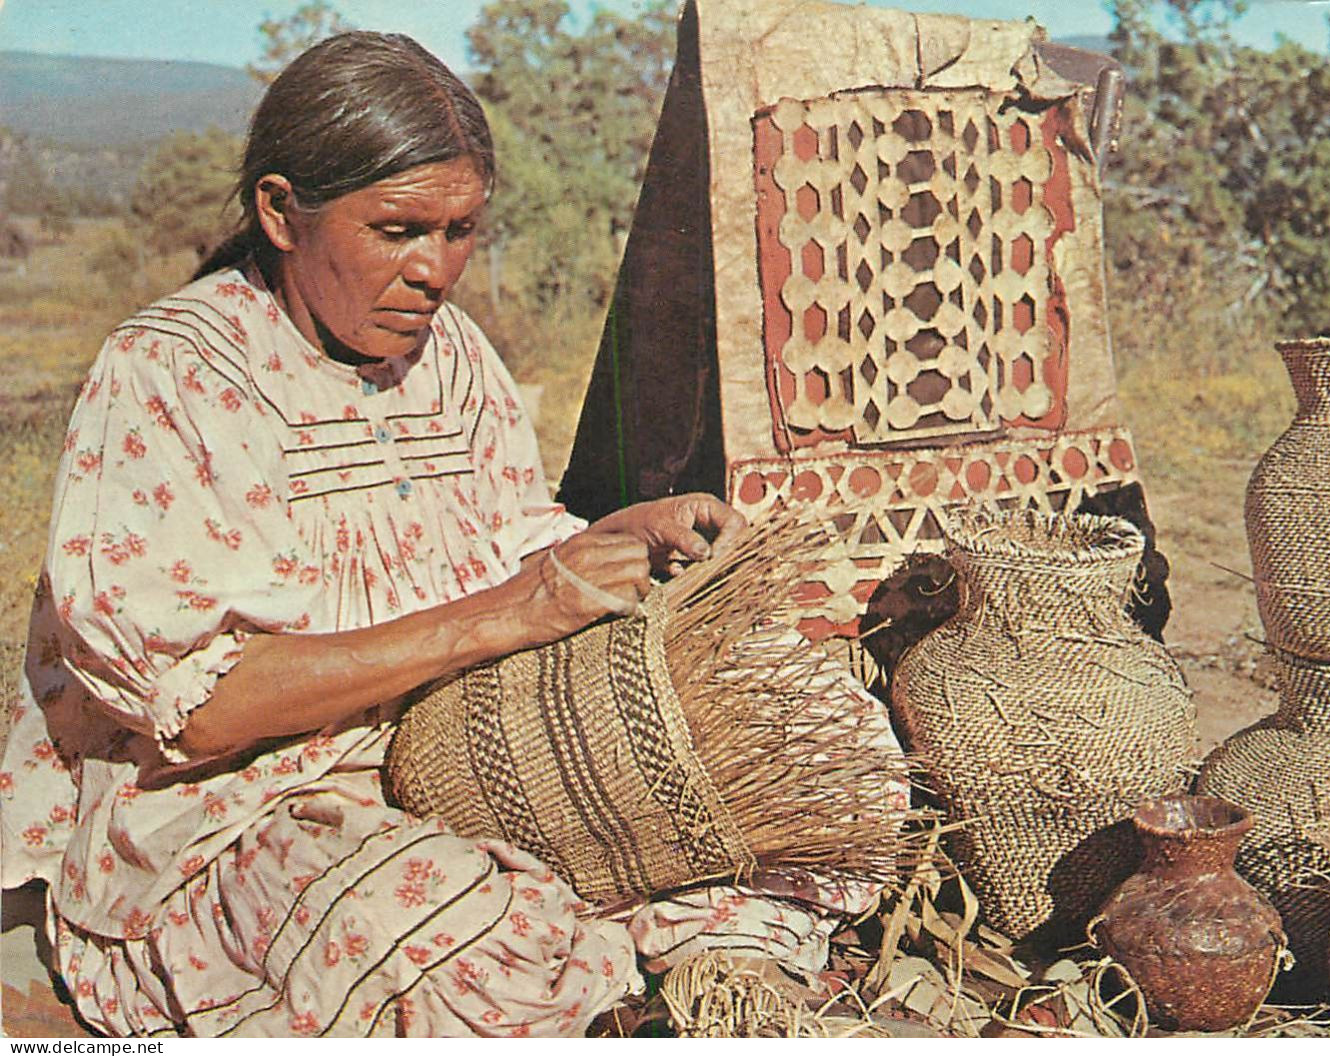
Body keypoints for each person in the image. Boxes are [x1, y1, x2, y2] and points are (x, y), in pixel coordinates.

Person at [0, 31, 891, 1037]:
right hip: (234, 809)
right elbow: (200, 714)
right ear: (280, 211)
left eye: (461, 229)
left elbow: (502, 547)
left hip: (454, 749)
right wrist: (515, 608)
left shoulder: (451, 356)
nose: (435, 270)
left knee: (784, 820)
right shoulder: (169, 378)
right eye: (398, 229)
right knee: (460, 932)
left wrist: (617, 541)